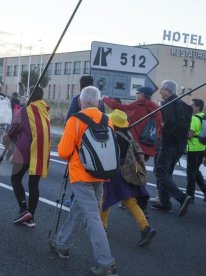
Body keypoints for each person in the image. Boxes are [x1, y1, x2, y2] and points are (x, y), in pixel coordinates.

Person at [50, 86, 117, 276]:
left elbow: (63, 152)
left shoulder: (75, 120)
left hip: (81, 175)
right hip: (101, 173)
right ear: (99, 102)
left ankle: (106, 262)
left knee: (92, 217)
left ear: (80, 102)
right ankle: (62, 243)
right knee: (78, 210)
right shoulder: (107, 119)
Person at [100, 109, 156, 247]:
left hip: (115, 170)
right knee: (130, 201)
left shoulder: (113, 136)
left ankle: (102, 226)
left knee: (106, 197)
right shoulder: (128, 135)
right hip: (128, 170)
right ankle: (145, 227)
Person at [2, 86, 50, 227]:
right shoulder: (45, 110)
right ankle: (31, 217)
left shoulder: (25, 111)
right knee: (34, 184)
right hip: (40, 151)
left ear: (31, 96)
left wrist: (6, 139)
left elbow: (13, 130)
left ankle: (24, 210)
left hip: (24, 151)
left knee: (15, 178)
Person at [151, 80, 192, 216]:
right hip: (181, 145)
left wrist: (161, 129)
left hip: (168, 143)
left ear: (169, 90)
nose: (160, 91)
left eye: (162, 89)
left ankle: (181, 197)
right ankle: (165, 203)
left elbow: (166, 125)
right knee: (167, 173)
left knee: (161, 172)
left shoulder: (166, 105)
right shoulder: (186, 107)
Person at [63, 75, 105, 207]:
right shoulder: (99, 102)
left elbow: (69, 119)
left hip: (80, 141)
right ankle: (92, 202)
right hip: (97, 141)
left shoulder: (78, 99)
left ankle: (75, 199)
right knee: (94, 171)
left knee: (79, 173)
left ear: (81, 85)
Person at [103, 87, 162, 160]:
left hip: (136, 146)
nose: (136, 95)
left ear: (142, 94)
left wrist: (106, 99)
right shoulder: (156, 109)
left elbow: (121, 107)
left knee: (132, 167)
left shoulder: (139, 105)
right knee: (141, 168)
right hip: (149, 144)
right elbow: (159, 129)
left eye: (137, 93)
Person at [186, 99, 206, 202]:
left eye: (192, 105)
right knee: (195, 171)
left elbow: (190, 135)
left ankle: (190, 196)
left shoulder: (194, 118)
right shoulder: (203, 116)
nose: (190, 107)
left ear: (198, 107)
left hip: (193, 148)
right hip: (202, 147)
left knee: (191, 172)